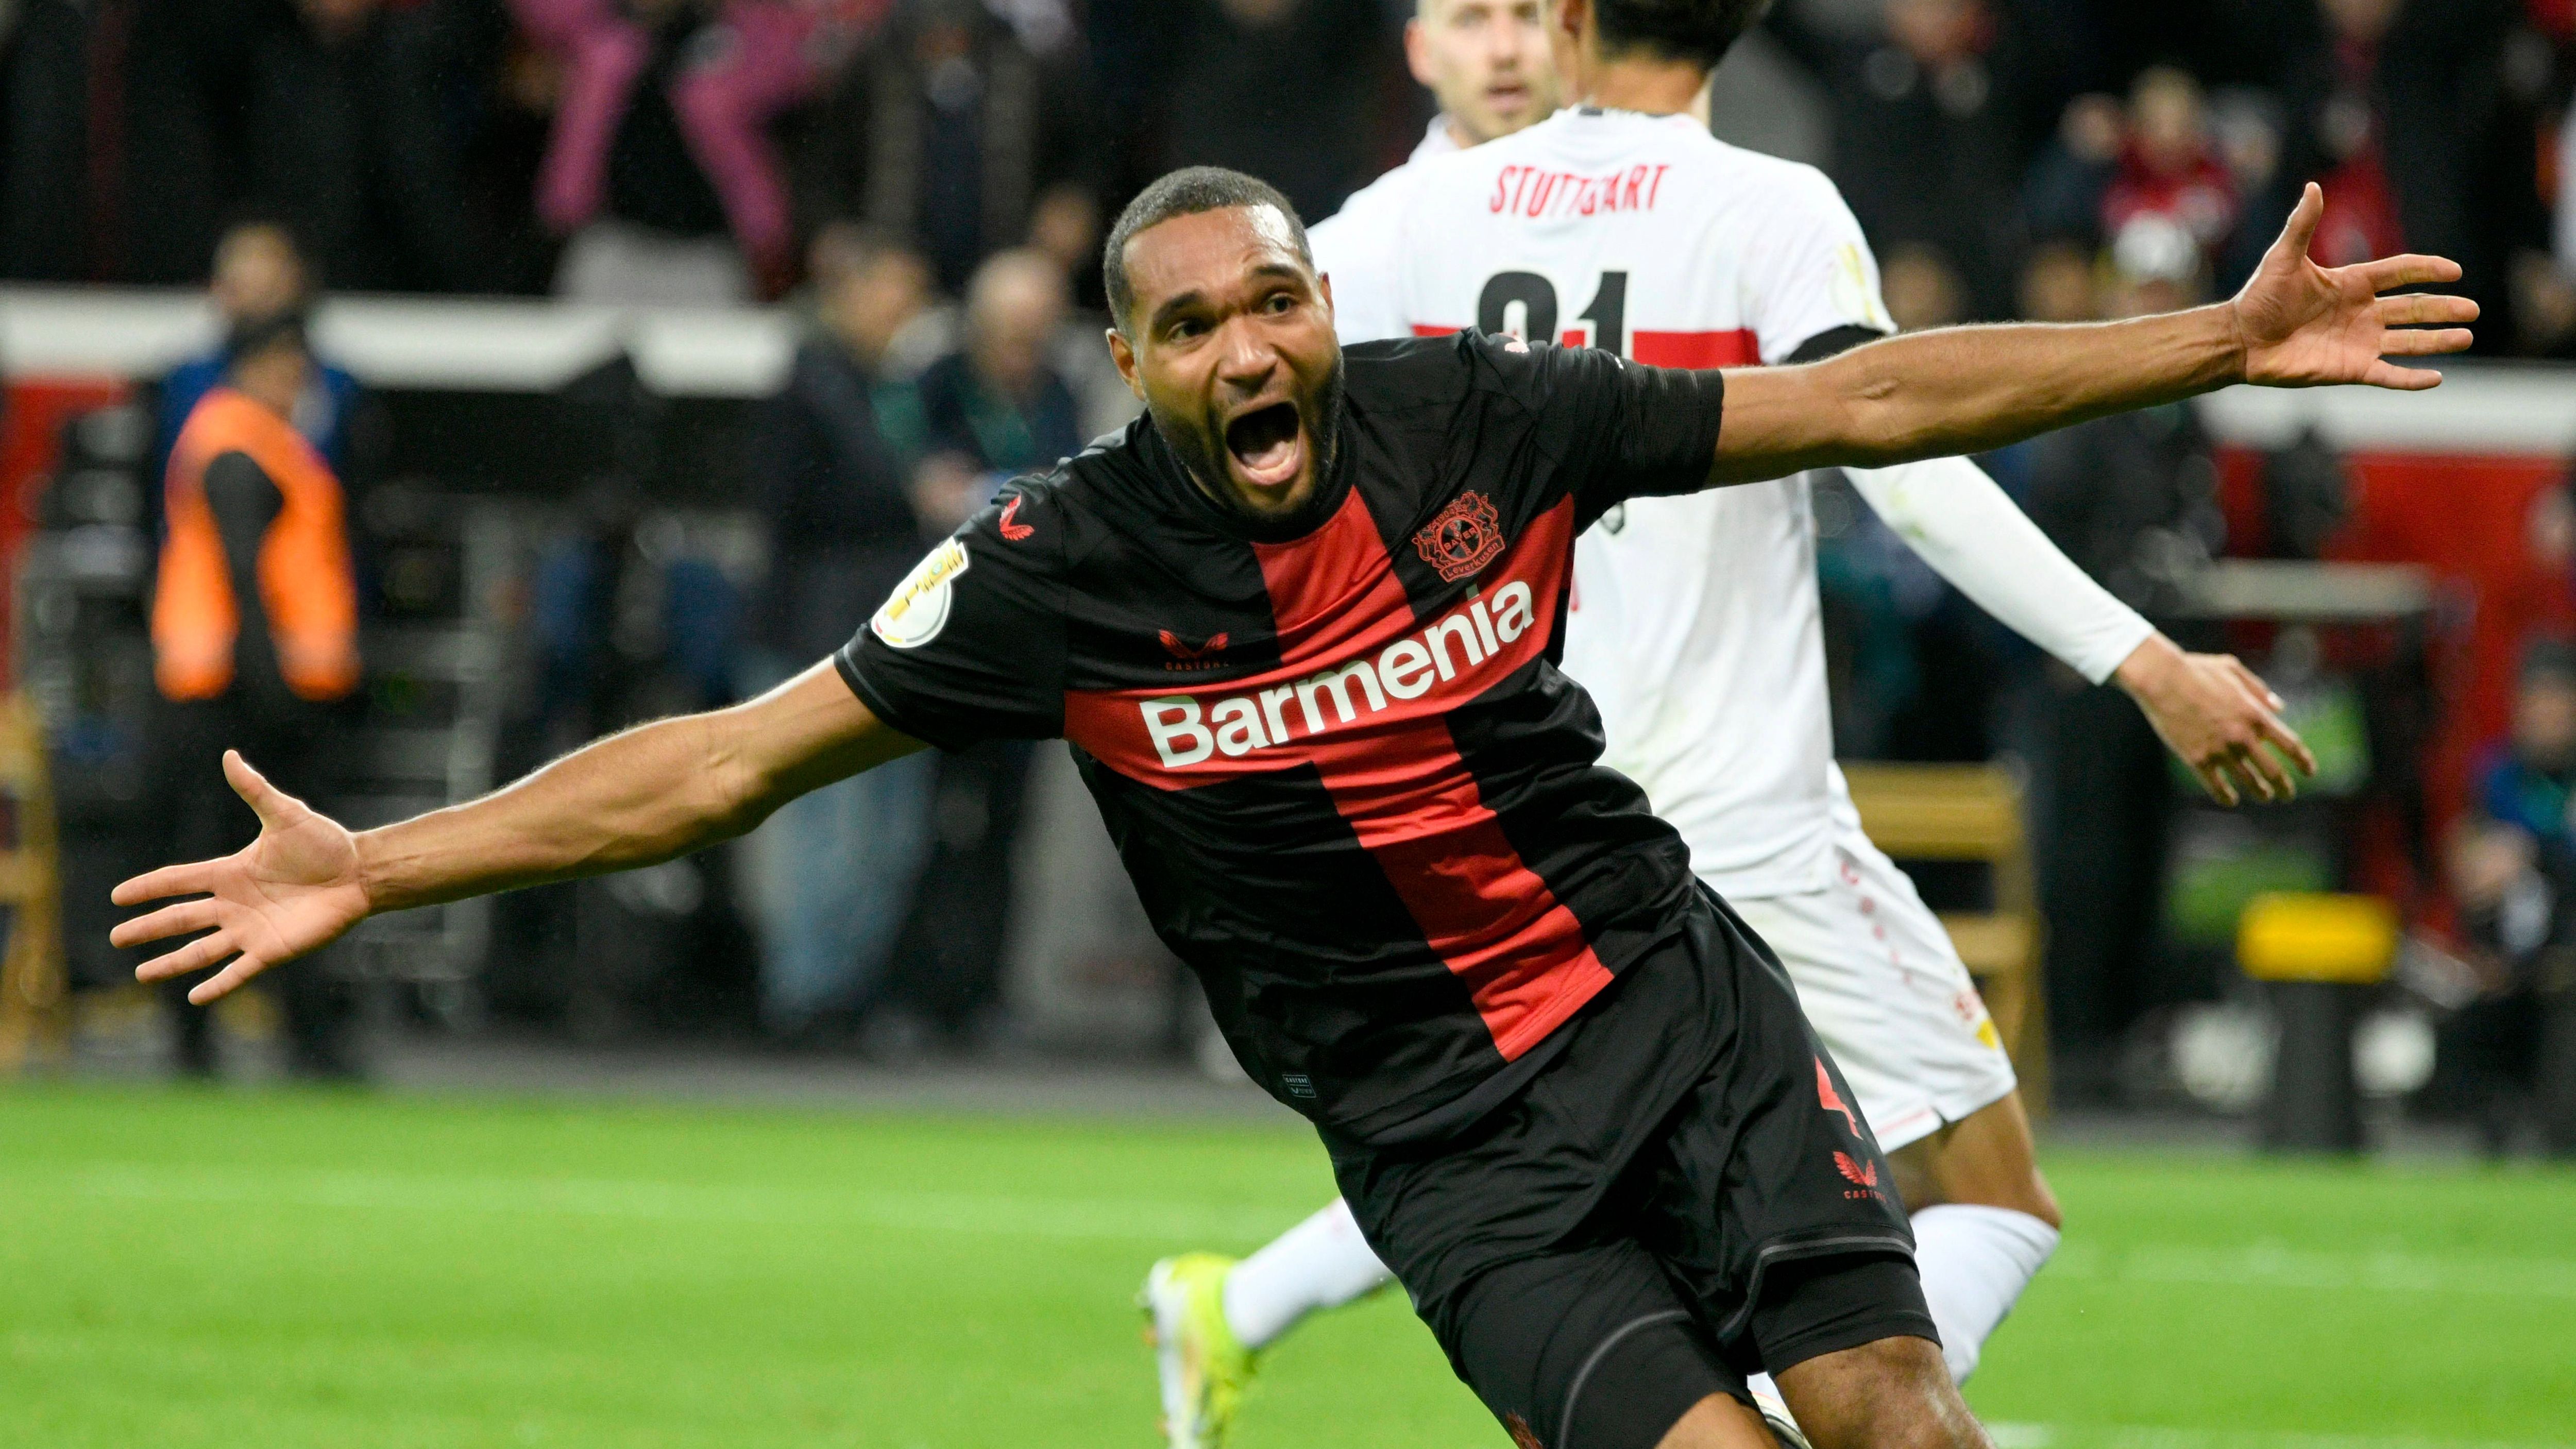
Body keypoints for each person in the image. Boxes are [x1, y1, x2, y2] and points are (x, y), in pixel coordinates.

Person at [112, 160, 2467, 1449]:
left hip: (1678, 1007)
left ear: (1323, 304)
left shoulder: (1475, 414)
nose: (1255, 347)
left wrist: (2215, 340)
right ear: (1130, 363)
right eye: (1197, 322)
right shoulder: (1056, 565)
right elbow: (720, 764)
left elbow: (1859, 406)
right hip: (1447, 1141)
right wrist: (378, 856)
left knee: (1899, 1415)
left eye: (1282, 299)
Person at [1142, 6, 2315, 1445]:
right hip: (1734, 827)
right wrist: (2137, 653)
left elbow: (1237, 470)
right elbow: (1906, 455)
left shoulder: (1389, 227)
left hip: (1511, 845)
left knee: (1572, 1245)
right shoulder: (1766, 206)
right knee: (1991, 1189)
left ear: (1567, 20)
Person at [147, 312, 364, 1080]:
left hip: (233, 688)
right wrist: (276, 691)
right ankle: (227, 1038)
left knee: (234, 864)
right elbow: (247, 577)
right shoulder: (240, 444)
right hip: (235, 696)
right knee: (240, 865)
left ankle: (235, 1037)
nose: (297, 385)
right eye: (287, 368)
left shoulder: (253, 441)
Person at [737, 227, 942, 1038]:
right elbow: (813, 506)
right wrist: (916, 494)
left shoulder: (891, 385)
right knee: (831, 830)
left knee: (888, 834)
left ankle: (843, 992)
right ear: (851, 293)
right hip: (815, 637)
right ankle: (802, 998)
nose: (906, 309)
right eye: (894, 289)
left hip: (887, 636)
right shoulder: (811, 381)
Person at [157, 224, 364, 486]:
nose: (258, 291)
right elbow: (176, 486)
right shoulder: (188, 383)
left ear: (297, 283)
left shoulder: (333, 386)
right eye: (244, 280)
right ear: (219, 288)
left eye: (270, 284)